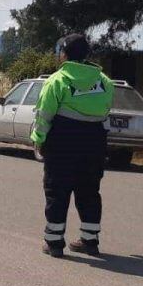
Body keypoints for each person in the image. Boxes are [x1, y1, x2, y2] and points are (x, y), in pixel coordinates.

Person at [31, 34, 114, 258]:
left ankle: (54, 242)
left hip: (62, 143)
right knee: (89, 191)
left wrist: (38, 139)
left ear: (64, 54)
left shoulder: (57, 80)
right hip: (94, 143)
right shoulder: (104, 82)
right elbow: (105, 111)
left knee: (57, 191)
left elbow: (44, 114)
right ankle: (89, 240)